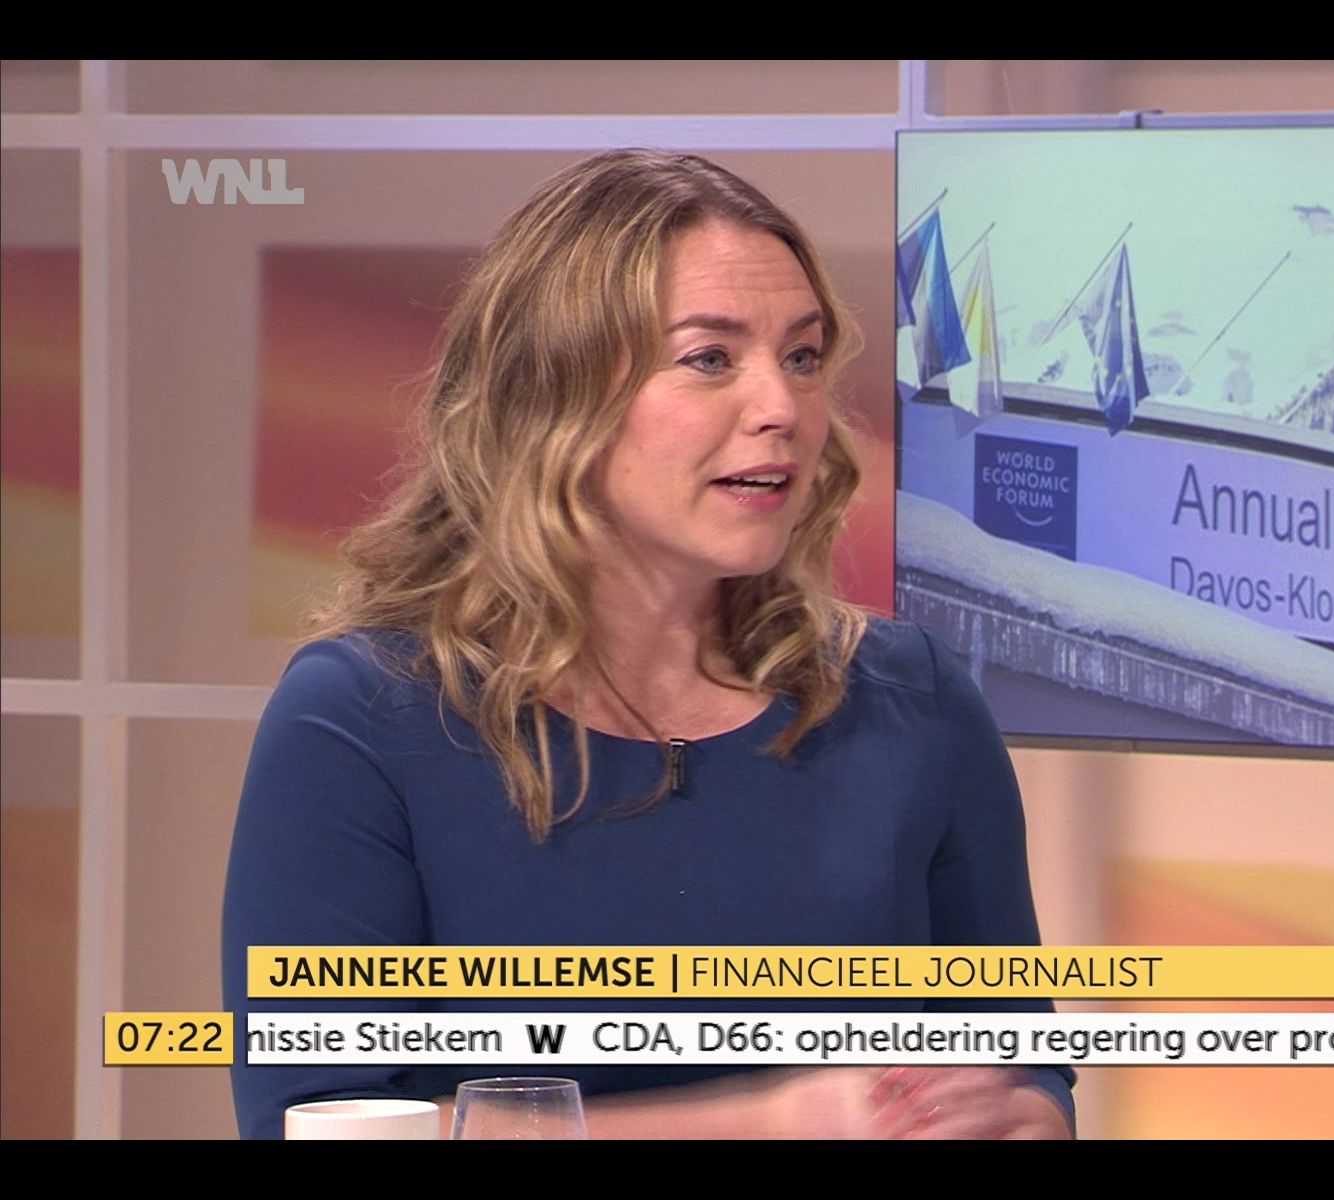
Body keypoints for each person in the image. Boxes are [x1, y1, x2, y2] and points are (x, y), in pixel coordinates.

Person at [221, 149, 1074, 1140]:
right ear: (554, 396)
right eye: (710, 358)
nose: (782, 409)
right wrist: (769, 1124)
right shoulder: (365, 718)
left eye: (802, 358)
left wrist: (1021, 1114)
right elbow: (318, 1125)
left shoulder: (912, 701)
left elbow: (1023, 1069)